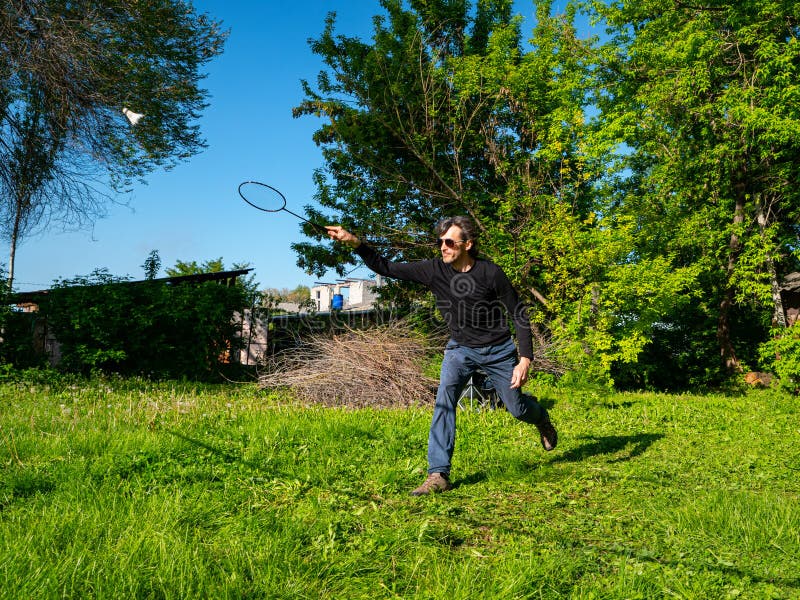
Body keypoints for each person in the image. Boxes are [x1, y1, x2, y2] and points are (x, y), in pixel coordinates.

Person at [325, 216, 557, 496]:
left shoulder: (490, 273)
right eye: (440, 242)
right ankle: (438, 474)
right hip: (459, 349)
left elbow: (518, 313)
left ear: (468, 244)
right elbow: (386, 267)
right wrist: (356, 243)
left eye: (449, 242)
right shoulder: (434, 270)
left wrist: (525, 358)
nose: (442, 247)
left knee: (517, 409)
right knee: (444, 402)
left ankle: (540, 416)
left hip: (498, 350)